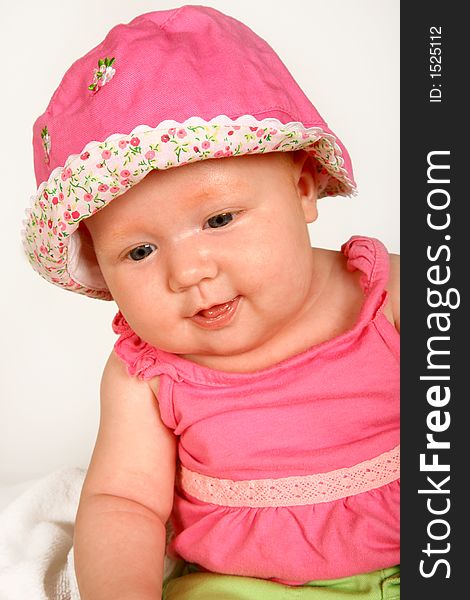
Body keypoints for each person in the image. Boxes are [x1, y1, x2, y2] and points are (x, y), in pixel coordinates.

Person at [22, 5, 400, 599]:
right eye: (140, 251)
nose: (188, 271)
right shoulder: (146, 373)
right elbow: (124, 503)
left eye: (220, 218)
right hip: (244, 585)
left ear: (303, 187)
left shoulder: (387, 295)